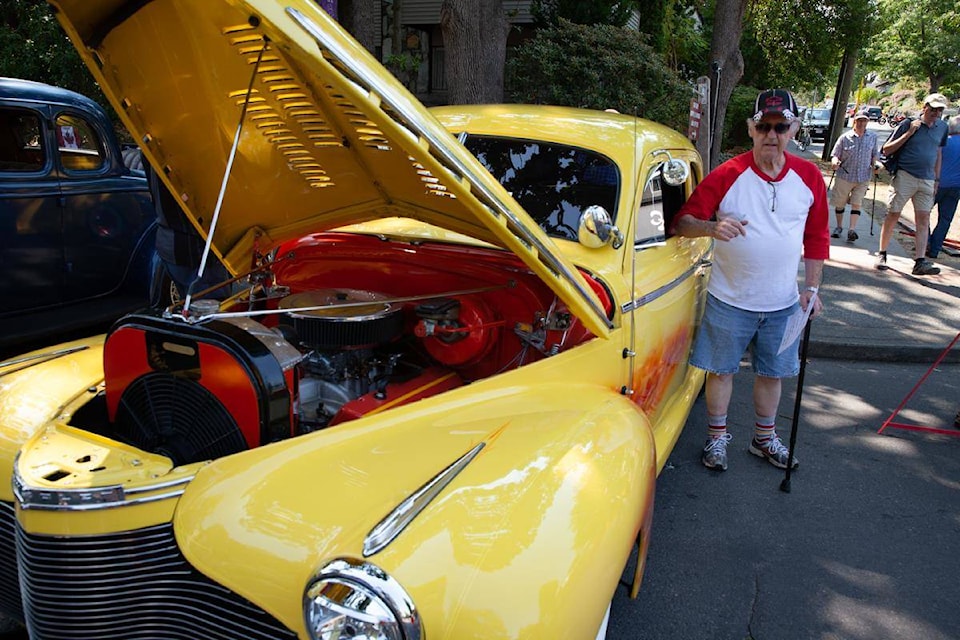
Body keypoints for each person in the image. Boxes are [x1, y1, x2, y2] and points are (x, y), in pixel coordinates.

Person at [672, 89, 829, 471]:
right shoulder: (728, 174)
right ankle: (716, 439)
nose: (771, 134)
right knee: (721, 371)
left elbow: (817, 237)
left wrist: (811, 289)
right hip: (730, 298)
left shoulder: (808, 176)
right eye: (763, 126)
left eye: (780, 126)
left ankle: (763, 439)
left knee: (772, 375)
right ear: (751, 129)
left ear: (793, 129)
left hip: (782, 303)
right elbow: (682, 223)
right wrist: (712, 227)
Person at [876, 93, 949, 275]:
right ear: (924, 107)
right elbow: (886, 149)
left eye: (939, 110)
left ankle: (920, 261)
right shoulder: (908, 123)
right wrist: (909, 133)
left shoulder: (942, 127)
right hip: (905, 175)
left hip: (927, 179)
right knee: (893, 214)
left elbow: (938, 153)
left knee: (923, 218)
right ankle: (882, 253)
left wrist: (937, 180)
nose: (936, 113)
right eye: (933, 109)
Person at [145, 156, 232, 305]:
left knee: (191, 305)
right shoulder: (189, 147)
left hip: (170, 241)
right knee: (211, 314)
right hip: (196, 249)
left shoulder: (151, 140)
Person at [829, 107, 881, 243]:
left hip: (863, 177)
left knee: (856, 203)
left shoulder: (873, 138)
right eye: (859, 120)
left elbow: (875, 154)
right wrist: (835, 162)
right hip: (845, 176)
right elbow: (835, 154)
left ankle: (852, 230)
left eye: (864, 120)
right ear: (855, 121)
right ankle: (839, 227)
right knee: (840, 204)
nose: (862, 123)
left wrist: (876, 165)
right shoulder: (845, 137)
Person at [927, 115, 960, 259]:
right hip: (955, 186)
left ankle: (925, 242)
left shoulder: (942, 142)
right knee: (945, 219)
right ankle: (935, 248)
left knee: (923, 213)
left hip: (935, 183)